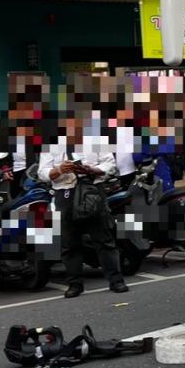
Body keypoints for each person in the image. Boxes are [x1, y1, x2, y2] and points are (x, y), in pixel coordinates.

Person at [37, 116, 128, 298]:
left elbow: (110, 165)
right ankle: (74, 284)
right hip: (65, 193)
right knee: (69, 242)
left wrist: (92, 169)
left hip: (92, 191)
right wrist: (59, 170)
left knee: (103, 238)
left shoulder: (97, 141)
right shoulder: (52, 145)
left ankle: (116, 280)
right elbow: (42, 172)